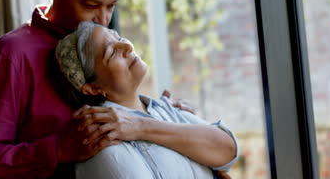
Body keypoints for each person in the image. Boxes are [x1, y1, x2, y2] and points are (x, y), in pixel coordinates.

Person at [0, 0, 231, 178]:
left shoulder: (103, 41)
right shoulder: (13, 55)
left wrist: (165, 117)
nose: (103, 20)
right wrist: (59, 149)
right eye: (91, 5)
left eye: (112, 6)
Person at [55, 21, 239, 178]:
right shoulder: (103, 137)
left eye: (118, 38)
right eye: (111, 53)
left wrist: (139, 126)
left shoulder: (164, 107)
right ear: (93, 88)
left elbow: (228, 150)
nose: (127, 46)